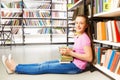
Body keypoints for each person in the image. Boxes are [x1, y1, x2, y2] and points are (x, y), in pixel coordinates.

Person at [2, 15, 94, 74]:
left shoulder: (85, 38)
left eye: (81, 23)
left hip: (76, 67)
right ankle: (17, 66)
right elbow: (79, 51)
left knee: (45, 67)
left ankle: (14, 68)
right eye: (76, 23)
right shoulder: (78, 35)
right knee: (44, 63)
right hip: (71, 61)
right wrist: (66, 52)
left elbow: (89, 58)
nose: (78, 25)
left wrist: (71, 53)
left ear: (86, 26)